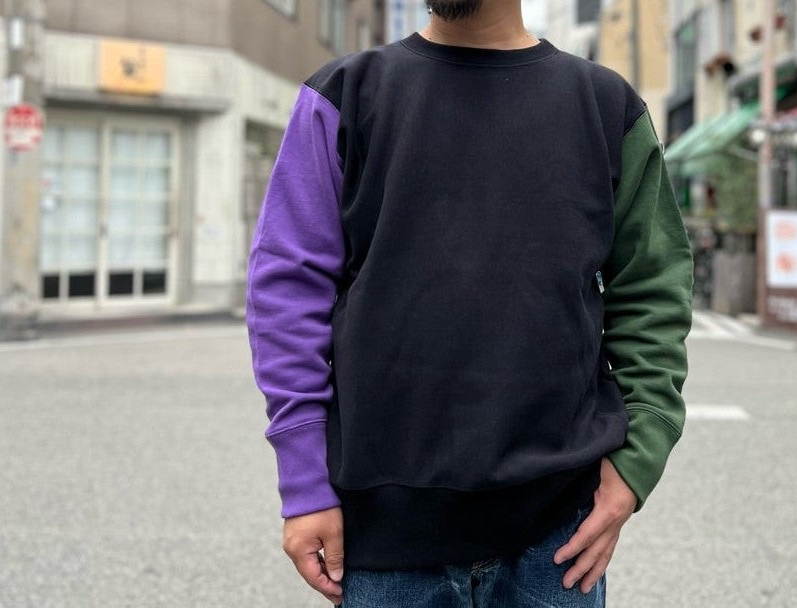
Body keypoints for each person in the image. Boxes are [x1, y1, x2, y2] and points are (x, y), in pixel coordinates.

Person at [245, 1, 693, 606]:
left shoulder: (606, 107)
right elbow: (287, 290)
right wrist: (304, 482)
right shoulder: (345, 94)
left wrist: (637, 461)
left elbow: (653, 288)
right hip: (382, 529)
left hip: (559, 534)